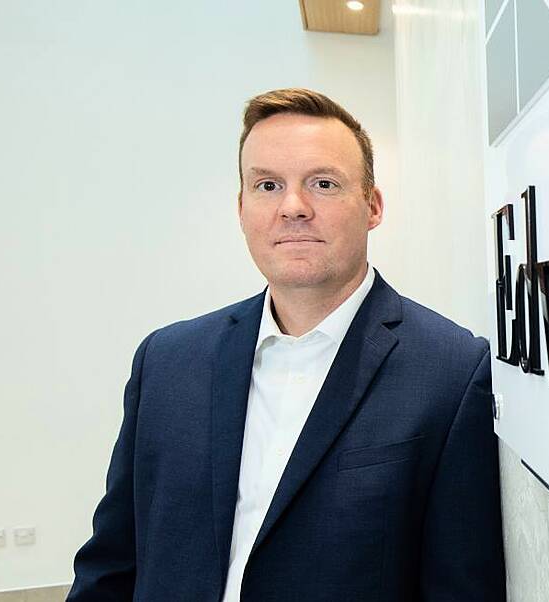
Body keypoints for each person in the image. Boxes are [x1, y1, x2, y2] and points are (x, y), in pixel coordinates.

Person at [68, 88, 506, 601]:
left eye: (322, 183)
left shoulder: (451, 372)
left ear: (373, 205)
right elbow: (111, 564)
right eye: (267, 185)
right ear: (242, 207)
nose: (292, 208)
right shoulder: (165, 362)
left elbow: (461, 589)